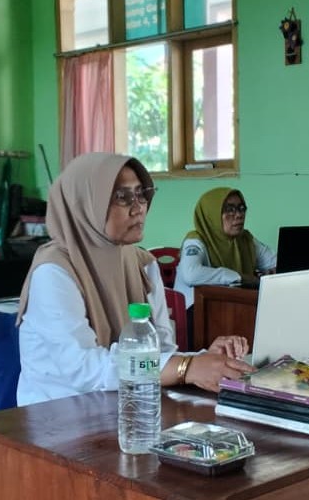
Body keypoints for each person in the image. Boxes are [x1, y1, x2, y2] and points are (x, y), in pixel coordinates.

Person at [16, 152, 254, 406]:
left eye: (141, 194)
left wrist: (203, 360)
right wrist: (186, 366)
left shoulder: (142, 263)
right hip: (56, 415)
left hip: (126, 409)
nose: (139, 207)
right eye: (122, 196)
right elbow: (84, 367)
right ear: (86, 204)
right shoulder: (54, 271)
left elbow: (159, 354)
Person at [174, 187, 276, 312]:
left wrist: (273, 274)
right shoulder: (195, 240)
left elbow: (275, 262)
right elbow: (191, 275)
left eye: (241, 208)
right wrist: (239, 277)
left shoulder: (245, 239)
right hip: (194, 311)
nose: (239, 215)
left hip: (232, 307)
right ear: (211, 214)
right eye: (229, 210)